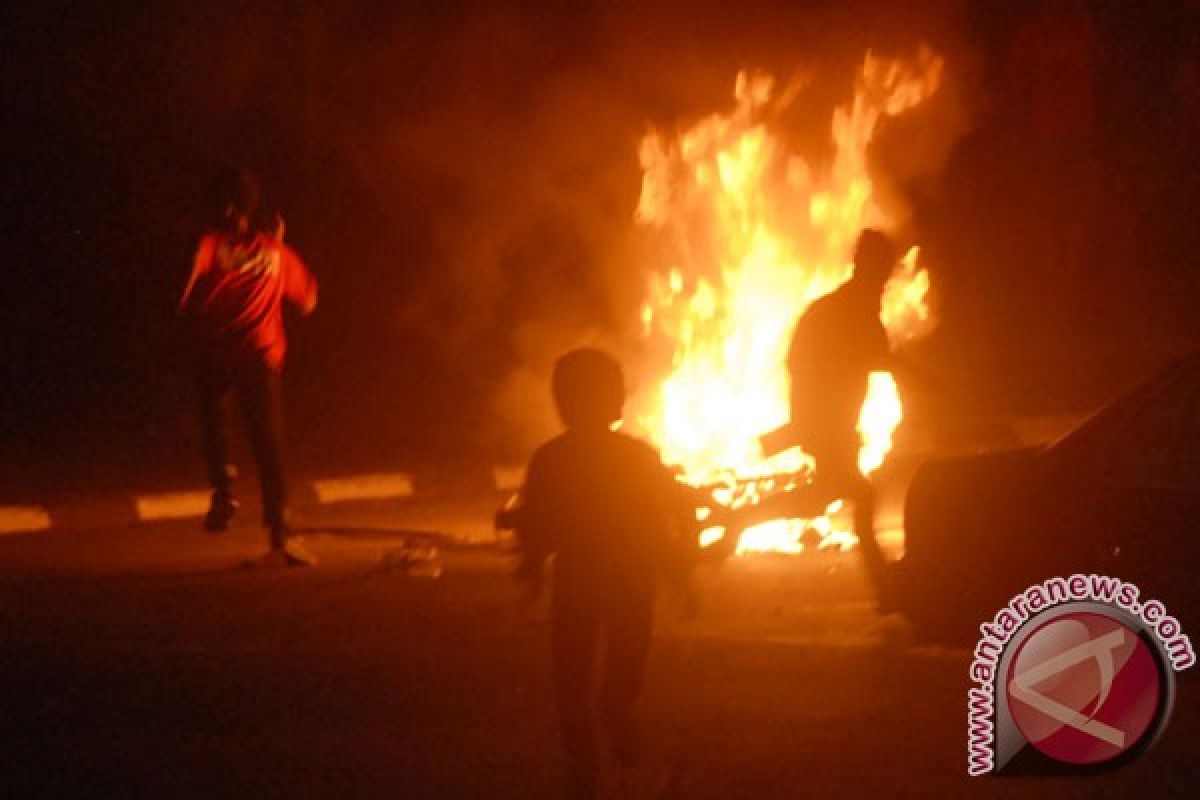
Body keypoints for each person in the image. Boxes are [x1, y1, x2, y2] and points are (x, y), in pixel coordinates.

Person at [514, 348, 689, 799]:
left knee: (571, 675)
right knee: (623, 664)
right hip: (630, 580)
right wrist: (678, 576)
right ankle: (615, 718)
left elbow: (537, 524)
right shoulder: (637, 456)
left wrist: (532, 569)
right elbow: (658, 523)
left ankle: (585, 762)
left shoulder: (549, 458)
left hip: (579, 579)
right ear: (616, 401)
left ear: (561, 403)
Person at [724, 229, 903, 610]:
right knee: (855, 496)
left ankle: (739, 520)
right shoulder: (849, 309)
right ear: (867, 265)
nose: (886, 275)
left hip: (830, 421)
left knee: (819, 500)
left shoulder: (845, 307)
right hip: (829, 422)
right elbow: (878, 361)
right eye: (882, 266)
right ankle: (886, 592)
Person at [178, 169, 318, 567]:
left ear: (224, 207)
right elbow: (309, 302)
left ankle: (224, 491)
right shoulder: (274, 252)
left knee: (214, 420)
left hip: (217, 353)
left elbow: (183, 290)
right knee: (269, 445)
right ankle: (281, 532)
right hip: (260, 356)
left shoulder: (206, 244)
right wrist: (276, 248)